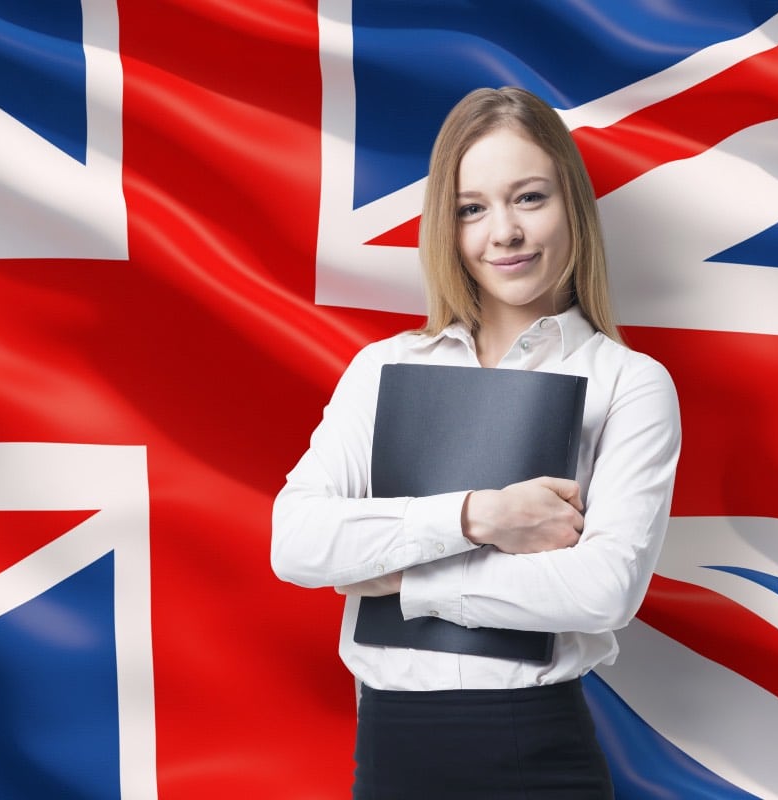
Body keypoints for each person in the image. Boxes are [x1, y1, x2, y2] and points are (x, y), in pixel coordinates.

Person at [271, 86, 681, 798]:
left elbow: (601, 591)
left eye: (528, 198)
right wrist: (476, 518)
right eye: (472, 208)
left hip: (539, 754)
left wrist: (406, 580)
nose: (504, 233)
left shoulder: (629, 383)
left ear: (571, 206)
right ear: (447, 226)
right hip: (392, 754)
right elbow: (298, 542)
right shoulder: (383, 369)